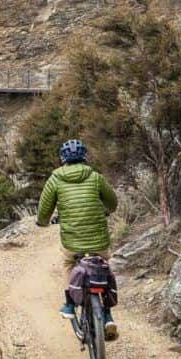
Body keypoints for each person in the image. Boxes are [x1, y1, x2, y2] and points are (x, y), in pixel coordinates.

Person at [35, 139, 119, 338]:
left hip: (73, 243)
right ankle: (107, 315)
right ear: (85, 157)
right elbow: (113, 203)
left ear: (63, 159)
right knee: (104, 266)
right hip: (99, 242)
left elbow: (44, 212)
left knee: (68, 264)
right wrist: (104, 211)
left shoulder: (55, 180)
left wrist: (42, 222)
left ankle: (70, 303)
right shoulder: (96, 177)